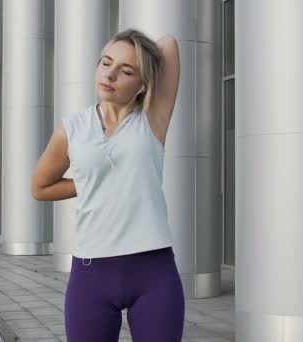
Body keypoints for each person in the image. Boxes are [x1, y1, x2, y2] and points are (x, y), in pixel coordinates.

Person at [31, 28, 183, 341]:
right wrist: (87, 183)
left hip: (154, 271)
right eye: (105, 62)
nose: (110, 74)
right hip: (91, 272)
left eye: (126, 71)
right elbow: (41, 187)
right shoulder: (71, 129)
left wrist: (138, 49)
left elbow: (168, 44)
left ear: (143, 84)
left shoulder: (152, 118)